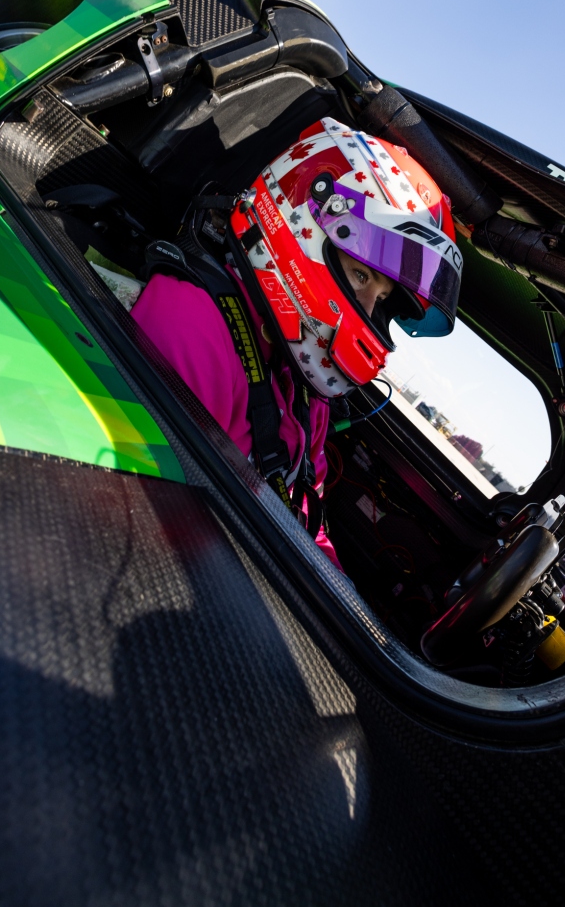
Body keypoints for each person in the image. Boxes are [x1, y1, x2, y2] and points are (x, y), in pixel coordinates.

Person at [132, 118, 463, 569]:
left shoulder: (307, 385)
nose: (369, 310)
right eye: (361, 275)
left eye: (382, 299)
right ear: (304, 225)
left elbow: (308, 521)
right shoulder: (190, 325)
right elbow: (156, 537)